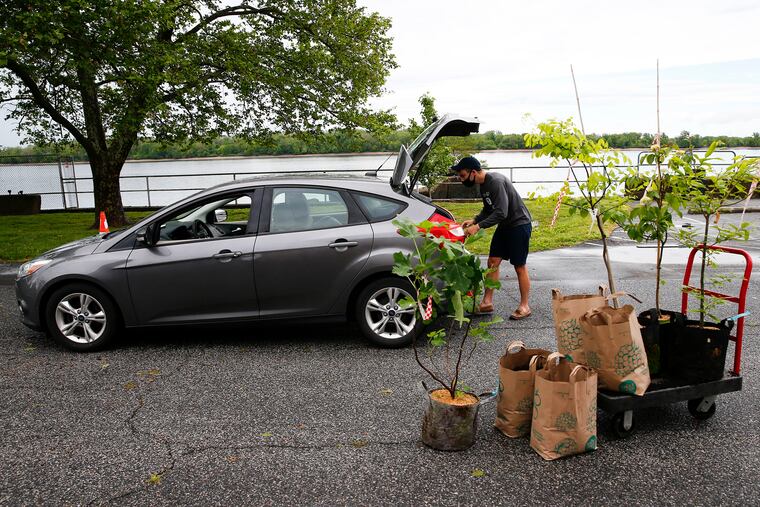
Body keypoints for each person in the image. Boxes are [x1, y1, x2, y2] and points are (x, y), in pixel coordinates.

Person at [452, 156, 533, 320]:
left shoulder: (495, 181)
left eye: (462, 175)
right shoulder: (483, 185)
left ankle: (525, 306)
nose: (461, 180)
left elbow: (501, 212)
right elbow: (489, 208)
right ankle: (487, 302)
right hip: (505, 226)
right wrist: (475, 219)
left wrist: (478, 226)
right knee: (492, 262)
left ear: (473, 172)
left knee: (519, 266)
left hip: (519, 225)